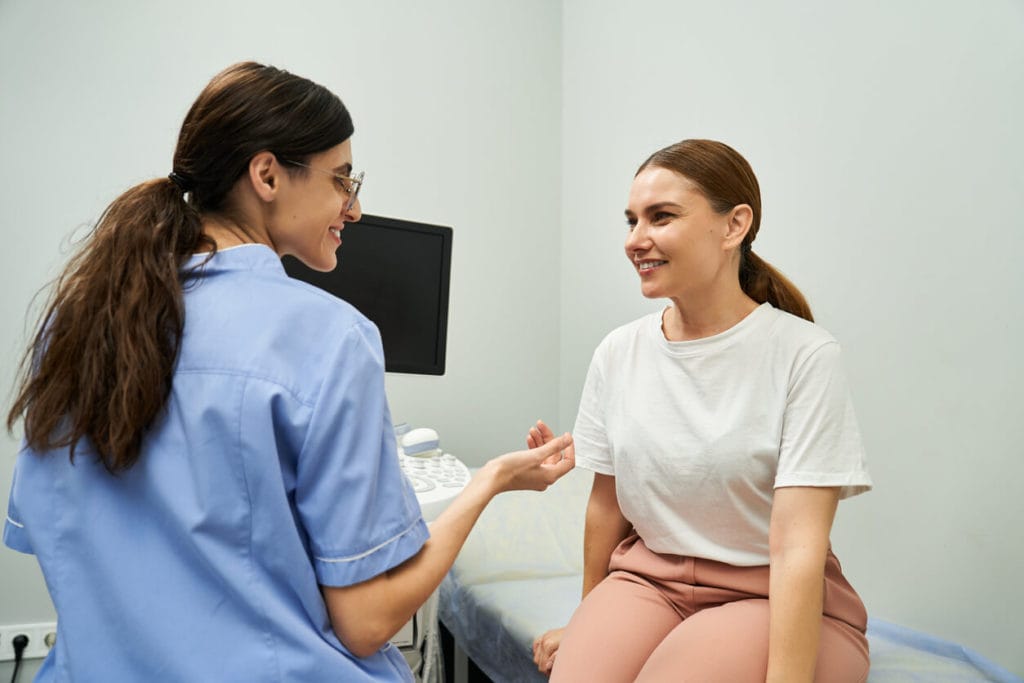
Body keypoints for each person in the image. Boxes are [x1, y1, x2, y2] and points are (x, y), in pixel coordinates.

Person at [2, 61, 574, 682]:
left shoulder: (79, 319)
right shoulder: (331, 336)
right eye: (342, 180)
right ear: (267, 175)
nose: (353, 209)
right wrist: (486, 482)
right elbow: (367, 623)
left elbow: (62, 542)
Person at [529, 139, 871, 682]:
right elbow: (606, 508)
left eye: (661, 217)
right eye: (631, 220)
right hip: (649, 581)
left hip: (764, 592)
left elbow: (798, 547)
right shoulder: (619, 352)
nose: (635, 240)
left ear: (734, 226)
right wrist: (586, 618)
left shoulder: (805, 354)